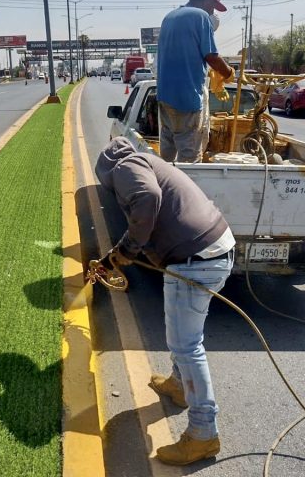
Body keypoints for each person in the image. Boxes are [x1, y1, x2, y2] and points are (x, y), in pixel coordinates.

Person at [94, 136, 235, 466]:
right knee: (179, 327)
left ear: (105, 171)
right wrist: (121, 254)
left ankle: (203, 435)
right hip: (208, 250)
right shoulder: (147, 161)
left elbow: (146, 198)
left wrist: (126, 250)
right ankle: (178, 385)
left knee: (187, 345)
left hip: (196, 259)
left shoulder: (123, 166)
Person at [156, 0, 236, 163]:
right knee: (190, 156)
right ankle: (185, 190)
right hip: (187, 98)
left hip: (165, 96)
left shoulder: (170, 16)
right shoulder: (201, 17)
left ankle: (164, 186)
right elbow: (211, 56)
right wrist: (229, 73)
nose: (213, 11)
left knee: (168, 150)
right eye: (214, 6)